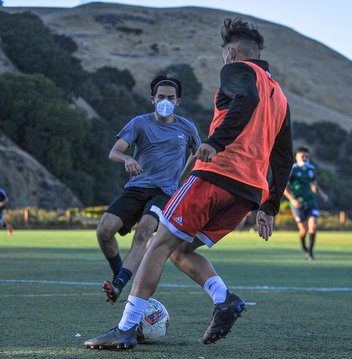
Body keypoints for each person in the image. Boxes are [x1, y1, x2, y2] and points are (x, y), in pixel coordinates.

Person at [84, 17, 293, 350]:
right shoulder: (280, 97)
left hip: (217, 176)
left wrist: (217, 141)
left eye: (225, 53)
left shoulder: (238, 70)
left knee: (157, 245)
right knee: (180, 251)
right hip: (249, 192)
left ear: (232, 51)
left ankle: (125, 328)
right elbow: (284, 158)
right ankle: (224, 299)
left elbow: (247, 100)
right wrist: (269, 206)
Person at [97, 75, 201, 304]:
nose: (166, 101)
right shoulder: (139, 123)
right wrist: (126, 159)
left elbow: (198, 154)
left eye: (170, 98)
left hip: (164, 193)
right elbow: (114, 151)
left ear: (178, 101)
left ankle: (119, 284)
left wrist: (182, 181)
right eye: (161, 97)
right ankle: (119, 273)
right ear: (153, 99)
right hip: (136, 187)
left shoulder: (187, 127)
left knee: (144, 231)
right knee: (104, 231)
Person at [283, 147, 328, 260]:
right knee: (303, 229)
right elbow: (284, 188)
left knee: (313, 226)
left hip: (311, 201)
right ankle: (304, 246)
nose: (305, 158)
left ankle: (310, 252)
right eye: (302, 156)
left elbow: (314, 184)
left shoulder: (311, 169)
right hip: (297, 203)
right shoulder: (292, 170)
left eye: (306, 156)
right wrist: (293, 200)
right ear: (297, 157)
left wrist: (322, 194)